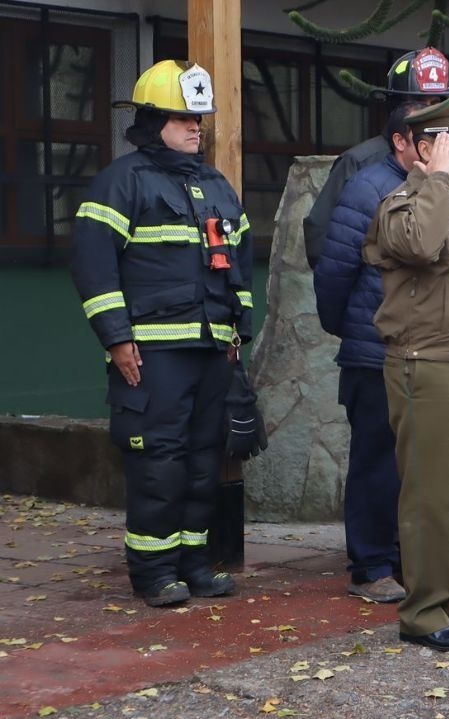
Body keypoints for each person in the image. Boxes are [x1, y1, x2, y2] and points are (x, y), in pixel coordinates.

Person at [70, 60, 256, 607]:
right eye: (182, 118)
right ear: (153, 123)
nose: (195, 127)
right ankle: (152, 573)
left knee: (203, 462)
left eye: (198, 118)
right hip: (152, 354)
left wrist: (236, 332)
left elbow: (238, 267)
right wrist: (116, 338)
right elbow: (92, 266)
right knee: (158, 464)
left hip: (210, 349)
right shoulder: (120, 182)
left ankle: (194, 565)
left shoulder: (216, 185)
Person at [363, 90, 449, 652]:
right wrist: (436, 180)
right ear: (420, 149)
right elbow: (420, 245)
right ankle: (422, 611)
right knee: (427, 497)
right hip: (425, 367)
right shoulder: (403, 204)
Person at [314, 97, 432, 604]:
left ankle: (406, 558)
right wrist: (355, 333)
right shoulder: (368, 189)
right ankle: (370, 566)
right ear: (400, 142)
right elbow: (334, 272)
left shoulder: (437, 189)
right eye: (425, 136)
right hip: (375, 353)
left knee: (415, 465)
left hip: (425, 353)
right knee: (376, 463)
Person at [303, 47, 449, 269]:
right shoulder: (359, 161)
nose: (432, 112)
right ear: (398, 107)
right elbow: (321, 242)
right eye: (422, 103)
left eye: (437, 103)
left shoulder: (447, 160)